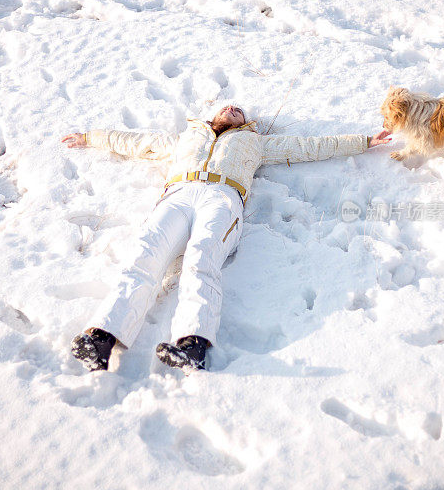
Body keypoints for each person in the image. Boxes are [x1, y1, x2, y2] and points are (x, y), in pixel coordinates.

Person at [62, 104, 391, 373]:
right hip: (177, 194)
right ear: (213, 118)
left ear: (245, 124)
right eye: (227, 107)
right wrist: (90, 137)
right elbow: (136, 141)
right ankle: (102, 339)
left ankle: (193, 344)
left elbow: (308, 147)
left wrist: (364, 142)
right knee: (144, 256)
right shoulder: (187, 138)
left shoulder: (254, 143)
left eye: (239, 111)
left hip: (222, 198)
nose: (233, 108)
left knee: (201, 259)